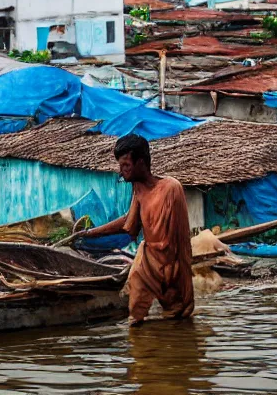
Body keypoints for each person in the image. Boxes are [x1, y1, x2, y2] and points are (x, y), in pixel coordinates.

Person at [82, 134, 194, 325]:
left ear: (140, 163)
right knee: (135, 316)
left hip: (171, 266)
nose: (121, 171)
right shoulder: (138, 188)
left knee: (178, 317)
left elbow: (178, 239)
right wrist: (90, 233)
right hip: (148, 261)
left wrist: (171, 271)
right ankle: (141, 352)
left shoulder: (171, 188)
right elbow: (130, 223)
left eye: (126, 165)